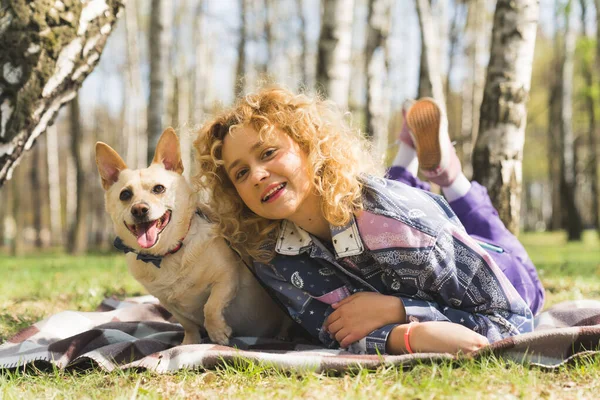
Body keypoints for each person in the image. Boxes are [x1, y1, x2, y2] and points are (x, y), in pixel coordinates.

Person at [193, 87, 544, 355]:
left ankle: (449, 177)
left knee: (483, 232)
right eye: (240, 173)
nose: (256, 175)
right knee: (382, 208)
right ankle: (407, 158)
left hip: (506, 277)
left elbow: (512, 321)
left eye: (268, 153)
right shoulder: (270, 254)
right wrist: (401, 336)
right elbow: (330, 329)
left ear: (308, 145)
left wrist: (401, 313)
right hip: (393, 226)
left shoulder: (400, 220)